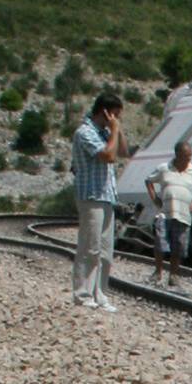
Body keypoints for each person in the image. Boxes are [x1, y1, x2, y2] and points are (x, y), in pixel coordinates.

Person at [72, 91, 126, 309]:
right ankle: (82, 294)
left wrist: (117, 131)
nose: (116, 120)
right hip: (91, 195)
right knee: (90, 248)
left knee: (105, 251)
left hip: (106, 196)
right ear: (104, 112)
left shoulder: (106, 134)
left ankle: (100, 293)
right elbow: (108, 156)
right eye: (114, 115)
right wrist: (113, 131)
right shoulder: (84, 133)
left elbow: (122, 151)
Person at [144, 135, 192, 288]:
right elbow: (149, 181)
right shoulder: (164, 168)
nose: (188, 159)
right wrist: (154, 199)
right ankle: (158, 272)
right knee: (160, 243)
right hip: (165, 212)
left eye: (190, 156)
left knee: (178, 246)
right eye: (185, 156)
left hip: (183, 215)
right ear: (177, 155)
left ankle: (173, 275)